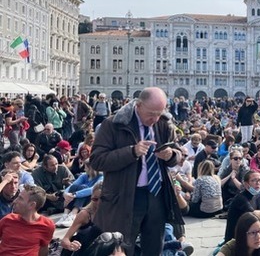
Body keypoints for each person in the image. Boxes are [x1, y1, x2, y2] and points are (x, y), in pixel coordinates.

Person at [90, 87, 184, 256]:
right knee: (123, 246)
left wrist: (171, 155)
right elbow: (97, 160)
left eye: (159, 113)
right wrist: (131, 152)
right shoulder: (113, 124)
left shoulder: (163, 123)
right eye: (151, 113)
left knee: (154, 245)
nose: (155, 119)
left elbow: (178, 154)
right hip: (125, 195)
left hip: (157, 194)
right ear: (138, 105)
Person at [0, 184, 55, 255]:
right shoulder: (7, 220)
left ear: (32, 205)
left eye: (20, 198)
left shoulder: (47, 225)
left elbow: (43, 249)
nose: (14, 201)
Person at [224, 170, 260, 243]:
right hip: (236, 240)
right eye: (254, 180)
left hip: (249, 233)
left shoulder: (255, 196)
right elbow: (254, 214)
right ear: (246, 184)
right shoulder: (241, 198)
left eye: (259, 180)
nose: (258, 183)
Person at [60, 181, 104, 255]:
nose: (98, 202)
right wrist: (70, 245)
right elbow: (65, 240)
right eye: (95, 199)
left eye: (102, 199)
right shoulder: (85, 214)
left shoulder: (114, 213)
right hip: (83, 250)